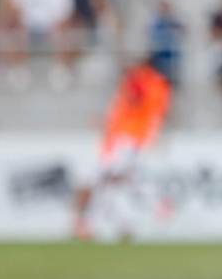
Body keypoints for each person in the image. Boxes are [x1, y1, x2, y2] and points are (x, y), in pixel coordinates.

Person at [73, 55, 173, 241]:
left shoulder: (145, 81)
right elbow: (145, 112)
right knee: (114, 179)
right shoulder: (160, 86)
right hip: (124, 139)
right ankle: (119, 224)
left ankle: (94, 224)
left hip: (128, 138)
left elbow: (135, 101)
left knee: (105, 179)